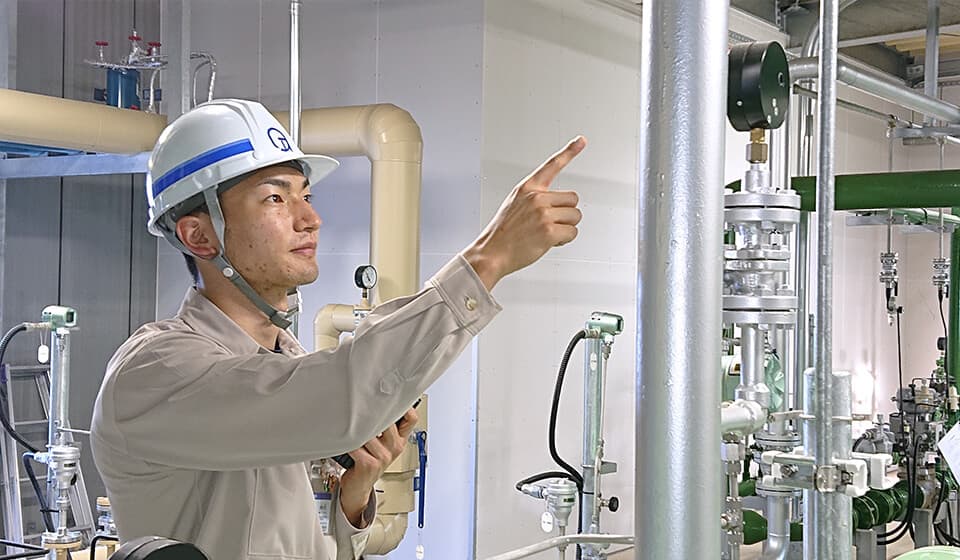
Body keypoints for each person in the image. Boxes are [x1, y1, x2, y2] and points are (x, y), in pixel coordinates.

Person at [90, 99, 585, 560]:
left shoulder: (285, 359)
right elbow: (346, 389)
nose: (311, 219)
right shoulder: (154, 371)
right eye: (275, 198)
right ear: (199, 235)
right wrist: (488, 259)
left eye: (305, 196)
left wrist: (353, 497)